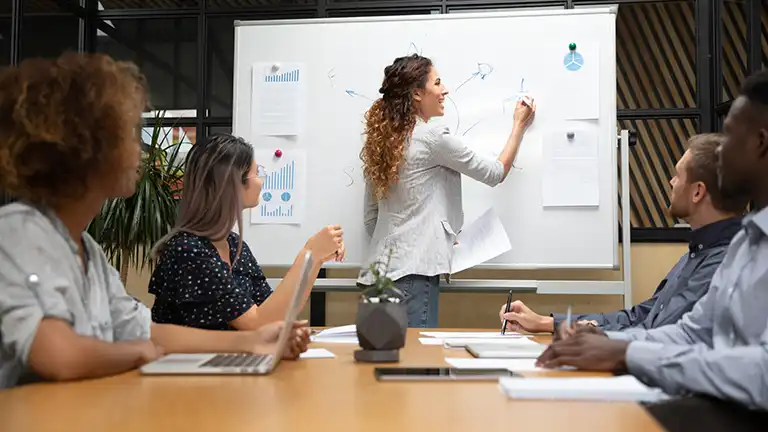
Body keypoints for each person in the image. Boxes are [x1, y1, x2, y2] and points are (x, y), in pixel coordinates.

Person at [0, 53, 309, 389]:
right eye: (129, 137)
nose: (139, 152)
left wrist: (252, 341)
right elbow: (61, 355)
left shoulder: (87, 249)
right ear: (86, 149)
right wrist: (137, 352)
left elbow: (146, 331)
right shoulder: (19, 232)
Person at [535, 69, 768, 428]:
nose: (721, 151)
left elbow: (760, 374)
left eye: (731, 135)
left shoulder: (730, 249)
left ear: (760, 144)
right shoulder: (746, 241)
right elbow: (693, 331)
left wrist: (626, 351)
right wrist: (608, 341)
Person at [498, 133, 747, 334]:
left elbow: (655, 335)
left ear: (697, 192)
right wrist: (548, 323)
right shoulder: (697, 254)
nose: (672, 182)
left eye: (678, 175)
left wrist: (577, 336)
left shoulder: (723, 264)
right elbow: (641, 317)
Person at [357, 54, 536, 328]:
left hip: (376, 277)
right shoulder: (432, 138)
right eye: (437, 83)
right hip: (413, 279)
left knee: (385, 355)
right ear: (417, 93)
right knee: (416, 355)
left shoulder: (382, 143)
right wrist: (519, 125)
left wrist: (428, 236)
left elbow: (372, 219)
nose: (445, 90)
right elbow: (495, 173)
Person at [148, 133, 345, 331]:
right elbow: (256, 323)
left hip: (234, 351)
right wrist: (309, 253)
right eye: (257, 173)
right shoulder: (188, 250)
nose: (261, 181)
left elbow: (276, 314)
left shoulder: (234, 244)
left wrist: (317, 260)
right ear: (233, 183)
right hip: (193, 353)